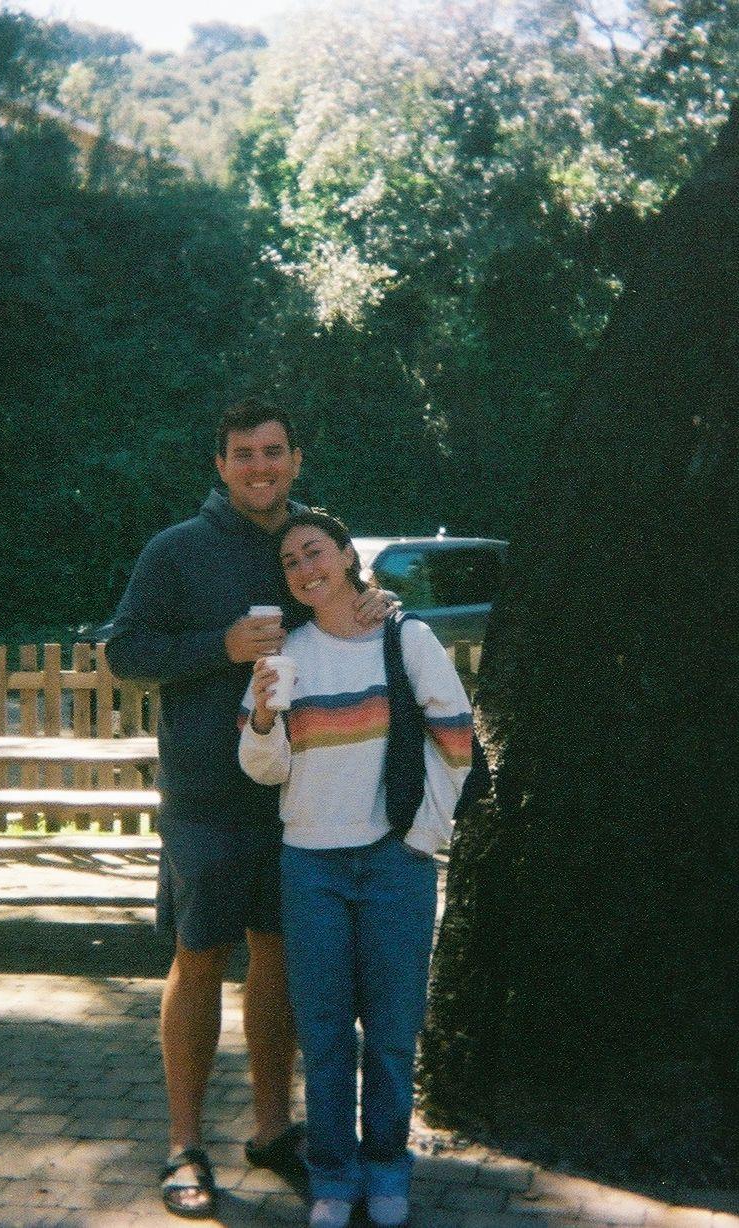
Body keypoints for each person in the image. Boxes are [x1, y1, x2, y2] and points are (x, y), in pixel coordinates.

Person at [103, 402, 389, 1219]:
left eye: (273, 452)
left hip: (299, 796)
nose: (259, 467)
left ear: (296, 459)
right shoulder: (177, 551)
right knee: (200, 957)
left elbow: (358, 608)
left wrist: (380, 606)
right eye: (242, 454)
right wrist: (218, 648)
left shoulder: (313, 543)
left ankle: (272, 1129)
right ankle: (184, 1145)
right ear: (220, 465)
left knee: (279, 958)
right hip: (204, 797)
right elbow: (124, 652)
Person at [239, 510, 473, 1228]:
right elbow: (263, 769)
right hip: (309, 866)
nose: (305, 568)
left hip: (393, 864)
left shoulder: (407, 637)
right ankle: (335, 1177)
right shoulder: (285, 658)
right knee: (327, 1034)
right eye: (290, 562)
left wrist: (421, 838)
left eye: (315, 552)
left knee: (395, 1032)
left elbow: (457, 739)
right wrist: (263, 716)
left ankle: (387, 1169)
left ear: (345, 557)